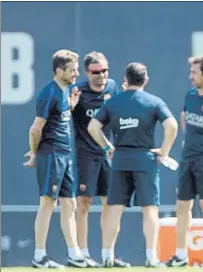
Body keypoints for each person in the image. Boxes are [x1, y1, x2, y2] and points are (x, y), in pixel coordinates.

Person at [87, 62, 178, 268]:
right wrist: (164, 151)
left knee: (114, 208)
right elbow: (172, 125)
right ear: (145, 80)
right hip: (145, 160)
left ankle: (107, 256)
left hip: (120, 159)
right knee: (150, 209)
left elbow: (93, 127)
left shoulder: (113, 102)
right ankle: (151, 257)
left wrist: (108, 147)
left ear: (125, 80)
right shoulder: (153, 102)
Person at [24, 49, 88, 268]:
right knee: (47, 204)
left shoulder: (65, 91)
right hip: (51, 154)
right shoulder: (49, 92)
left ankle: (74, 254)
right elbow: (35, 129)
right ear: (59, 71)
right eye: (72, 70)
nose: (76, 74)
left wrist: (70, 106)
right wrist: (34, 152)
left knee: (70, 203)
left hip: (65, 154)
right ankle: (39, 256)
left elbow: (58, 117)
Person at [165, 56, 203, 268]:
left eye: (194, 72)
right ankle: (181, 256)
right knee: (182, 206)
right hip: (187, 160)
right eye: (191, 71)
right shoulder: (191, 95)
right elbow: (184, 116)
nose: (190, 76)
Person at [71, 51, 129, 268]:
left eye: (105, 70)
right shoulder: (79, 92)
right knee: (84, 202)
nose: (102, 75)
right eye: (97, 72)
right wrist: (70, 105)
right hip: (84, 153)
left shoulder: (113, 88)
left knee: (110, 202)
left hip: (108, 153)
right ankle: (82, 254)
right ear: (87, 73)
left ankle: (108, 254)